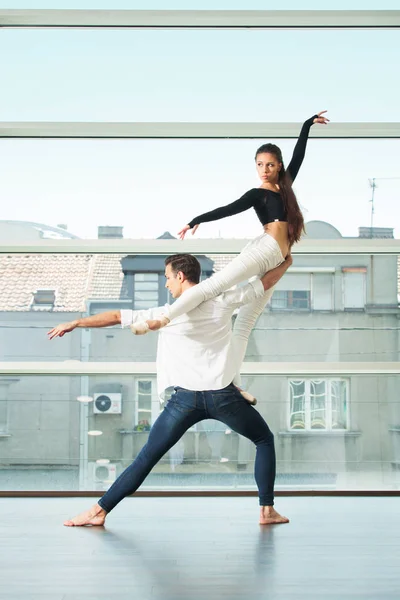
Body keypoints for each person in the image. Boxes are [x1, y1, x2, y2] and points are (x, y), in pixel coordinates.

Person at [48, 253, 292, 527]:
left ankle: (99, 510)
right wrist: (285, 263)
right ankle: (267, 510)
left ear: (180, 276)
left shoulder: (164, 315)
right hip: (223, 397)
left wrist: (77, 322)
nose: (166, 284)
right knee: (264, 440)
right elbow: (263, 284)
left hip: (184, 401)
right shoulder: (223, 302)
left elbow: (116, 316)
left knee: (147, 457)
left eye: (166, 278)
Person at [130, 111, 329, 338]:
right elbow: (228, 209)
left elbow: (299, 156)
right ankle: (160, 320)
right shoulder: (257, 194)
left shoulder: (285, 188)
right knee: (216, 285)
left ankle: (231, 374)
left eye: (270, 165)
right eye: (260, 165)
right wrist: (197, 220)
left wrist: (307, 125)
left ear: (279, 166)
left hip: (277, 258)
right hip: (265, 250)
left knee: (246, 321)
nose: (264, 170)